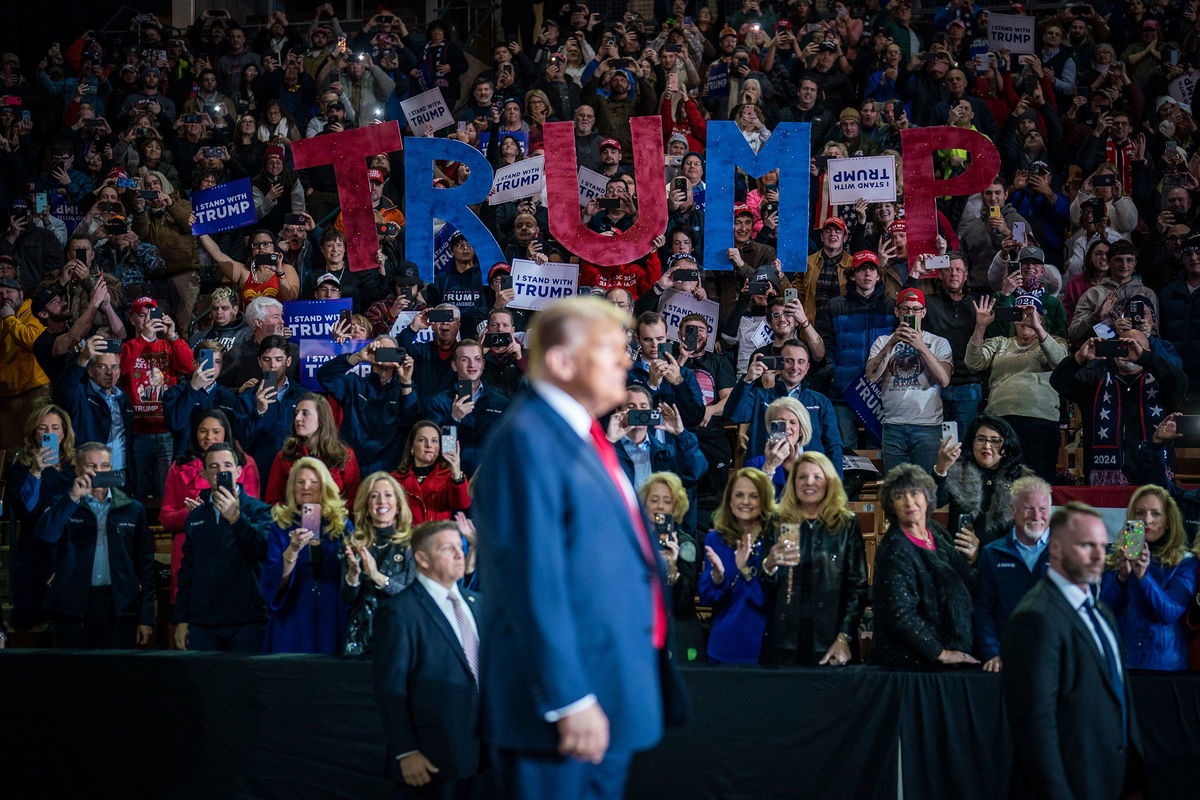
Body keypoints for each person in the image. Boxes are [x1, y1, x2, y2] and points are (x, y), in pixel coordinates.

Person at [473, 297, 684, 798]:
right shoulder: (527, 438)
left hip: (607, 688)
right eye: (611, 348)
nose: (627, 360)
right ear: (563, 362)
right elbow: (532, 582)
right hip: (563, 709)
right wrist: (569, 698)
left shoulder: (583, 436)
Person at [1002, 502, 1144, 800]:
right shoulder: (1036, 618)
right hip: (1070, 786)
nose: (1098, 556)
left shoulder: (1100, 610)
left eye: (1103, 546)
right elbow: (1035, 728)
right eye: (1085, 545)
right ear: (1054, 548)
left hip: (1112, 779)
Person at [373, 520, 485, 797]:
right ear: (421, 558)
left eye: (459, 547)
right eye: (448, 549)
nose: (460, 554)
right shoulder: (400, 612)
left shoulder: (478, 603)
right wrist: (406, 750)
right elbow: (391, 688)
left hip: (485, 753)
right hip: (432, 759)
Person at [35, 442, 155, 649]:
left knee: (118, 676)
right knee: (75, 676)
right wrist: (73, 498)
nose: (98, 472)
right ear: (79, 470)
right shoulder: (64, 504)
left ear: (112, 468)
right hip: (74, 607)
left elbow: (145, 564)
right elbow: (45, 535)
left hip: (119, 606)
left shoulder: (132, 509)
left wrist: (146, 617)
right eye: (92, 466)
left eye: (105, 466)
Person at [760, 452, 868, 666]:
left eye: (817, 477)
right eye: (802, 477)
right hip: (784, 639)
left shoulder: (845, 524)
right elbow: (766, 588)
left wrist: (844, 637)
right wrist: (768, 565)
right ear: (793, 482)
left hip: (832, 638)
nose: (809, 482)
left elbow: (858, 588)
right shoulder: (778, 521)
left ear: (829, 482)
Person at [872, 463, 979, 668]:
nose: (909, 502)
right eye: (899, 496)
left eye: (915, 493)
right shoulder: (895, 548)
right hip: (913, 664)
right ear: (891, 505)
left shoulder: (935, 531)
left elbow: (963, 579)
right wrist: (940, 653)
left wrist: (973, 559)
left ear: (927, 496)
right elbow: (900, 615)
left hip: (949, 648)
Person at [1050, 331, 1187, 485]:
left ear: (1148, 353)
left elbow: (1180, 381)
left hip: (1154, 478)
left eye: (1135, 346)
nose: (1128, 351)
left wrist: (1144, 359)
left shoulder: (1162, 384)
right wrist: (1078, 358)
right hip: (1104, 484)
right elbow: (1058, 381)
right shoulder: (1095, 380)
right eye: (1123, 346)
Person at [172, 443, 273, 652]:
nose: (220, 472)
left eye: (227, 465)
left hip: (248, 621)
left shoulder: (260, 511)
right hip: (204, 624)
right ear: (204, 474)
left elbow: (264, 550)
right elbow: (187, 570)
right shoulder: (197, 516)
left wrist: (236, 518)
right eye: (214, 467)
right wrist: (181, 619)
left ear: (238, 471)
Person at [965, 295, 1068, 483]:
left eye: (1029, 312)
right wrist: (980, 327)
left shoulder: (1055, 341)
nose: (1024, 318)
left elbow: (1060, 363)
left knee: (1037, 483)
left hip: (1040, 421)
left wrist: (1038, 328)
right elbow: (973, 362)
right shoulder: (1000, 342)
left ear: (1041, 318)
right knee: (999, 482)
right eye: (1019, 313)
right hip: (1000, 421)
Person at [260, 456, 353, 654]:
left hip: (331, 615)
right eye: (300, 482)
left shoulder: (342, 525)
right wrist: (292, 551)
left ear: (325, 486)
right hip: (293, 617)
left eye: (313, 482)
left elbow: (349, 577)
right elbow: (271, 582)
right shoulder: (281, 526)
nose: (306, 487)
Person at [1099, 485, 1197, 672]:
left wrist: (1143, 577)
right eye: (1140, 513)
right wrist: (1122, 577)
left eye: (1155, 514)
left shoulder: (1185, 562)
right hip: (1121, 661)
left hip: (1164, 664)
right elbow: (1105, 612)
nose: (1146, 520)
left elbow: (1168, 612)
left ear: (1168, 520)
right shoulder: (1115, 555)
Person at [4, 404, 77, 630]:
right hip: (34, 548)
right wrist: (36, 472)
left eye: (55, 428)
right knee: (31, 617)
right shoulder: (21, 466)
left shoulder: (73, 466)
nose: (49, 433)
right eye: (43, 428)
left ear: (64, 433)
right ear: (34, 432)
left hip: (68, 546)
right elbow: (26, 511)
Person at [865, 288, 954, 474]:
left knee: (927, 487)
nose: (910, 314)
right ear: (897, 312)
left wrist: (921, 347)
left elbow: (944, 380)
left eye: (915, 309)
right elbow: (872, 376)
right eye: (905, 309)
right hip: (893, 426)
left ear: (923, 312)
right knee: (895, 487)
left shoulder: (938, 343)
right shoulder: (883, 341)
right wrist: (891, 344)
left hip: (928, 426)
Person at [698, 467, 779, 664]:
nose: (745, 502)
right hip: (723, 645)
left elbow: (771, 600)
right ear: (729, 500)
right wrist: (717, 578)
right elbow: (707, 598)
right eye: (739, 495)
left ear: (765, 500)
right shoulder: (715, 539)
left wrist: (746, 571)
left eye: (753, 496)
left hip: (764, 647)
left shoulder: (775, 541)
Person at [973, 476, 1053, 673]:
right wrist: (992, 652)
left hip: (1055, 661)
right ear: (1012, 511)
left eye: (1043, 509)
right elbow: (983, 610)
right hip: (1006, 661)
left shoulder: (1067, 551)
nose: (1036, 516)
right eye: (1028, 508)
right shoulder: (992, 554)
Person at [342, 472, 419, 656]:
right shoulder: (355, 543)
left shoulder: (415, 543)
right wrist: (352, 577)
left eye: (388, 495)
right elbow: (347, 599)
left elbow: (415, 598)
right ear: (367, 506)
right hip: (362, 638)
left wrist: (377, 576)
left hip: (401, 635)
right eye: (374, 496)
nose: (381, 501)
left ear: (399, 505)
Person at [317, 337, 419, 474]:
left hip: (390, 469)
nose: (385, 354)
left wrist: (406, 382)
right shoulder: (354, 384)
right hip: (353, 466)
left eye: (391, 351)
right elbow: (325, 376)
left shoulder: (404, 391)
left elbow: (408, 420)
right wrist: (359, 356)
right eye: (381, 350)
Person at [426, 340, 512, 476]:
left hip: (489, 479)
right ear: (454, 365)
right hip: (451, 479)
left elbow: (507, 449)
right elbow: (441, 449)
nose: (472, 365)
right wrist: (453, 419)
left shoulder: (501, 403)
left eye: (477, 359)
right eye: (465, 360)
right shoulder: (439, 402)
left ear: (483, 364)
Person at [264, 393, 361, 504]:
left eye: (305, 413)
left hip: (334, 519)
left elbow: (354, 501)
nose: (298, 418)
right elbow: (273, 501)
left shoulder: (345, 456)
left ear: (321, 420)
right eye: (296, 413)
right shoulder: (284, 456)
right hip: (293, 519)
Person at [392, 421, 471, 524]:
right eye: (422, 440)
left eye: (434, 441)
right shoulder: (395, 479)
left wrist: (456, 473)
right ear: (411, 447)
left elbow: (462, 504)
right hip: (407, 537)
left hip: (437, 537)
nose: (429, 445)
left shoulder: (449, 477)